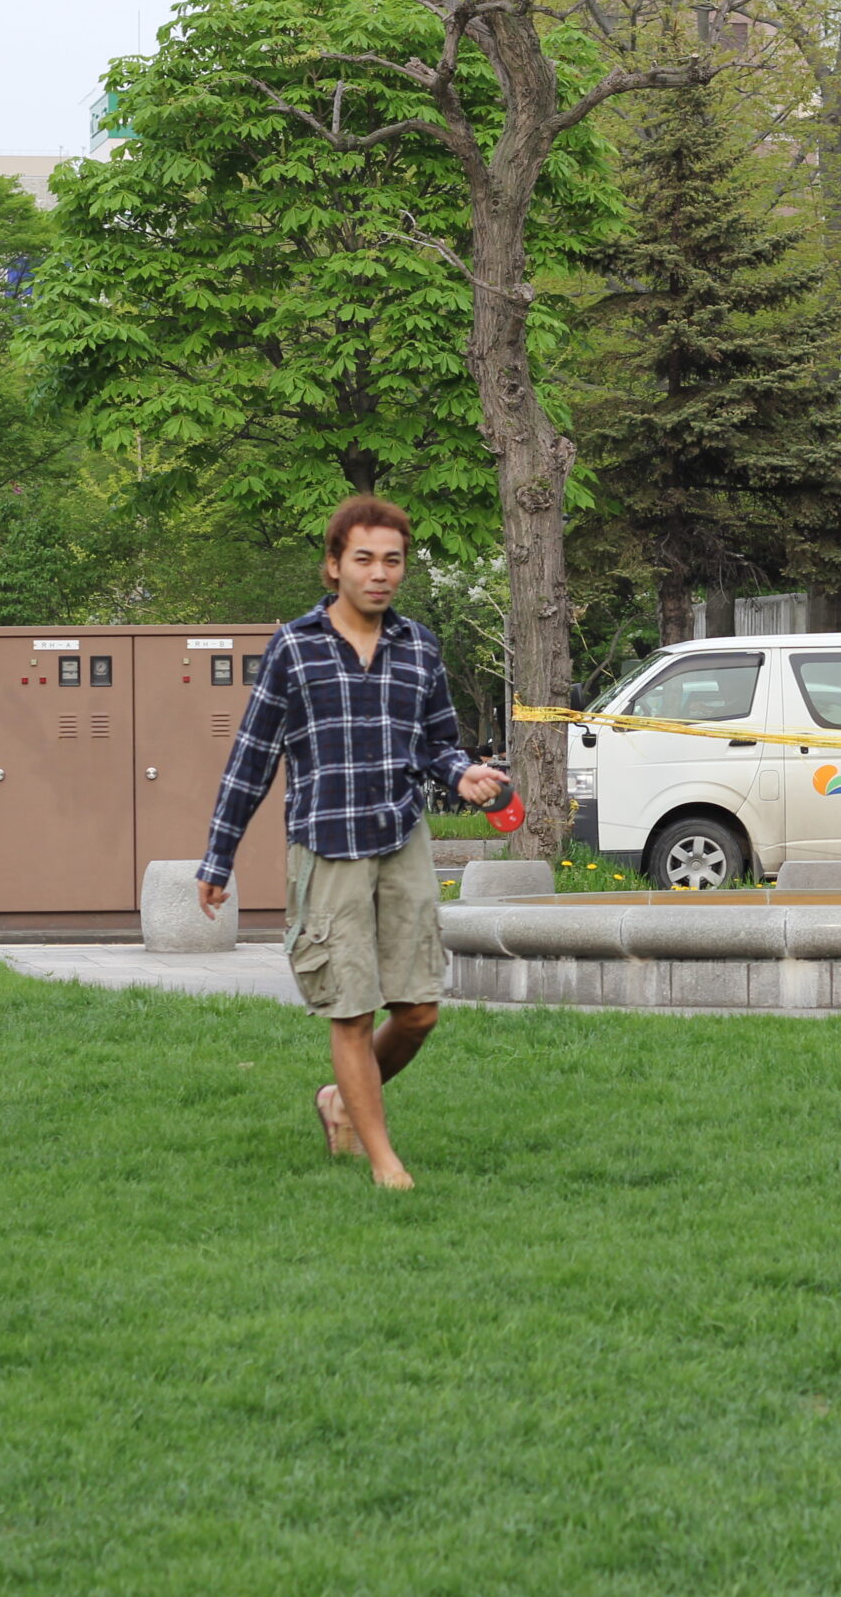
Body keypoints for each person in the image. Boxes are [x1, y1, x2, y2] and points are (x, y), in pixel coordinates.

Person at [196, 495, 509, 1189]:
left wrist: (465, 775)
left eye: (392, 560)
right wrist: (218, 857)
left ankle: (341, 1098)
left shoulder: (420, 646)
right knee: (350, 1007)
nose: (379, 573)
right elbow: (252, 758)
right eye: (363, 559)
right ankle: (382, 1158)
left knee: (420, 1010)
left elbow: (440, 746)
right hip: (326, 844)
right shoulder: (294, 647)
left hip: (401, 838)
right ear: (333, 565)